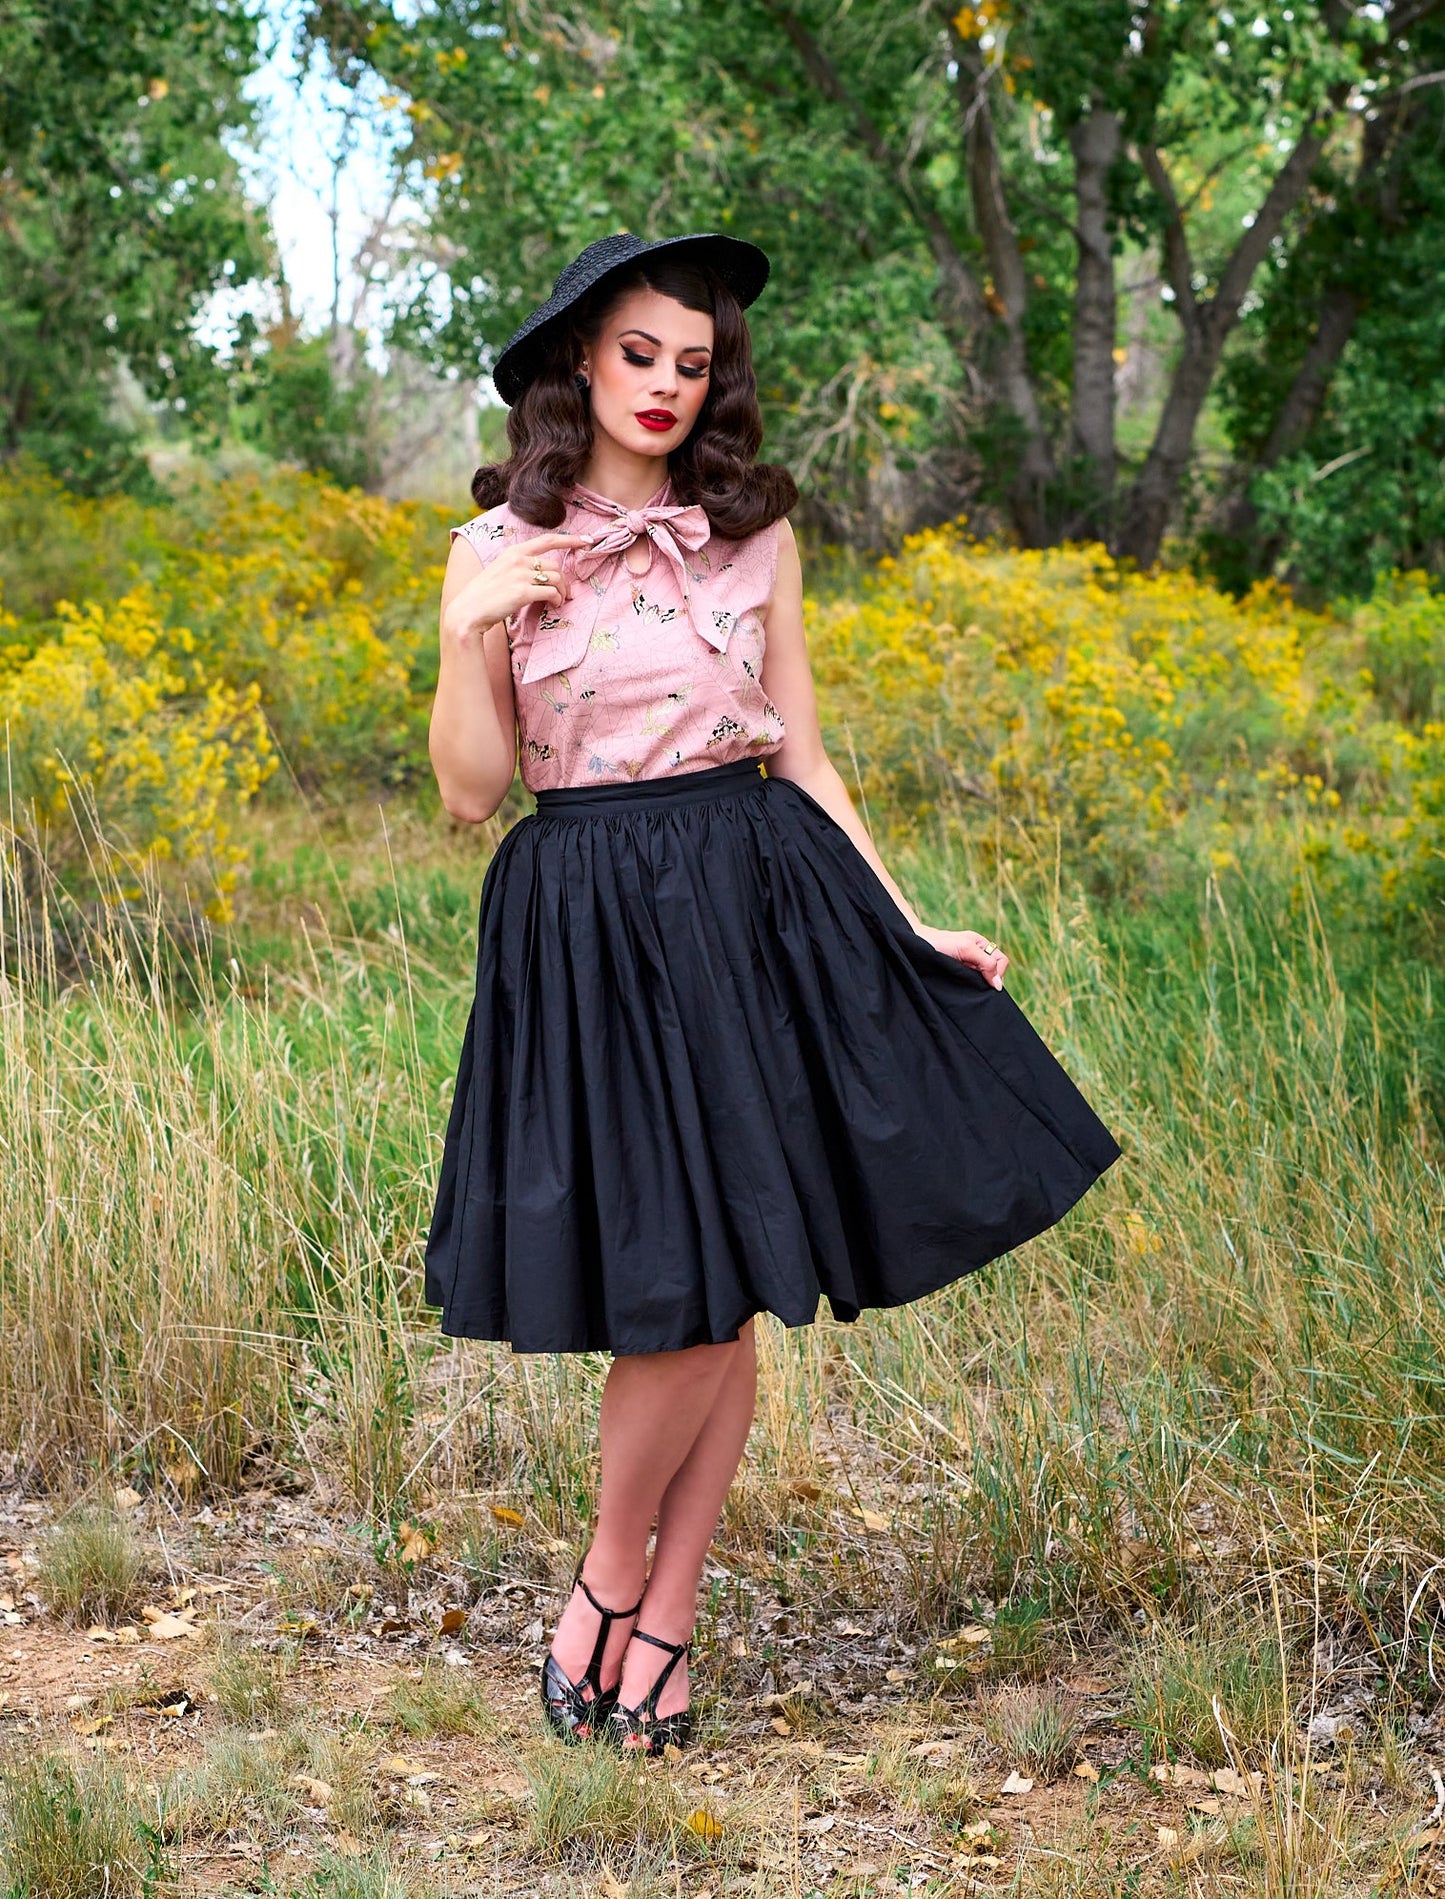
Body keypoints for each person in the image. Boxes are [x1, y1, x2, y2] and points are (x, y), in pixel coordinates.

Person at [423, 230, 1121, 1757]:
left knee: (728, 1282)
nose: (666, 386)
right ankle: (617, 1588)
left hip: (749, 900)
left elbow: (803, 758)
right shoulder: (496, 550)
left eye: (693, 363)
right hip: (587, 916)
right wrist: (463, 636)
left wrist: (906, 923)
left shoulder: (754, 539)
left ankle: (650, 1613)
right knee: (668, 1287)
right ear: (579, 364)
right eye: (638, 356)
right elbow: (473, 796)